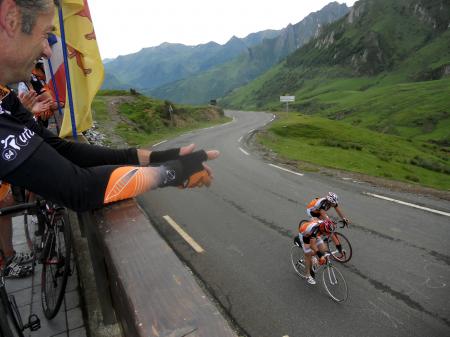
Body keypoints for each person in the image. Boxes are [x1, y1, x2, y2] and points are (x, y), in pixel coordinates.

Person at [0, 0, 219, 276]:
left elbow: (62, 149)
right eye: (45, 35)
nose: (47, 51)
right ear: (10, 19)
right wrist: (173, 173)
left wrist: (160, 157)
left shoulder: (5, 98)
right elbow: (79, 190)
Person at [305, 192, 350, 259]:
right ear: (329, 201)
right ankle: (314, 240)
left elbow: (338, 210)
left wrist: (344, 218)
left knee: (328, 228)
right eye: (332, 204)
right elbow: (323, 214)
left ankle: (326, 236)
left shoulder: (332, 202)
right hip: (312, 212)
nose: (334, 205)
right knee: (317, 225)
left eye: (334, 203)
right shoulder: (323, 204)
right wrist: (330, 222)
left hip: (319, 211)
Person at [296, 218, 335, 285]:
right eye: (326, 233)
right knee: (308, 253)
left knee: (323, 249)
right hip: (305, 235)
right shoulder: (314, 231)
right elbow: (312, 245)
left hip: (314, 234)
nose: (328, 234)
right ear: (323, 230)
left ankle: (313, 257)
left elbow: (313, 219)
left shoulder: (324, 224)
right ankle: (308, 275)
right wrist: (320, 256)